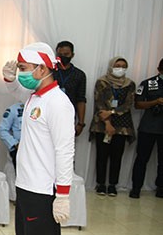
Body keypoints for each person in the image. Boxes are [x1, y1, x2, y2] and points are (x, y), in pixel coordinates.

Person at [0, 42, 75, 235]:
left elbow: (66, 151)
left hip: (44, 190)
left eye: (25, 69)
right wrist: (9, 78)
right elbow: (18, 90)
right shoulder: (36, 97)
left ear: (42, 68)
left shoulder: (58, 104)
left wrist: (63, 195)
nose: (22, 74)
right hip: (27, 186)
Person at [89, 57, 136, 197]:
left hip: (122, 126)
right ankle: (101, 184)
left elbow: (128, 104)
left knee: (117, 156)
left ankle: (113, 185)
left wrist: (112, 112)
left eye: (123, 66)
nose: (120, 68)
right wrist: (108, 123)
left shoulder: (130, 84)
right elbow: (99, 103)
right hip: (102, 125)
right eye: (117, 65)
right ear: (111, 66)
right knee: (102, 156)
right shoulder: (102, 82)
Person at [130, 58, 163, 198]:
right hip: (148, 127)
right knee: (142, 159)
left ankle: (160, 188)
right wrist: (155, 101)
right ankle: (136, 188)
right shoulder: (148, 83)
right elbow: (137, 104)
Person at [54, 41, 88, 137]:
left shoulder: (79, 74)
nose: (63, 56)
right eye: (60, 54)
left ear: (72, 55)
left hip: (68, 116)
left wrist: (81, 123)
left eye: (66, 54)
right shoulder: (50, 71)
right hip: (49, 114)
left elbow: (81, 99)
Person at [0, 102, 24, 168]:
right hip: (19, 150)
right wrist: (15, 144)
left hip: (36, 149)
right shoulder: (14, 109)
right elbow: (2, 130)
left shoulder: (40, 109)